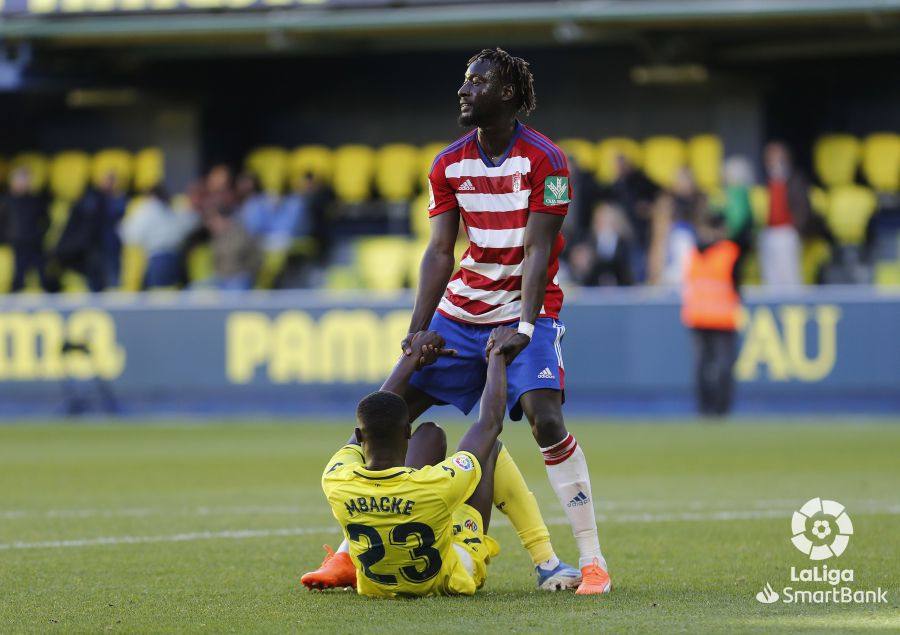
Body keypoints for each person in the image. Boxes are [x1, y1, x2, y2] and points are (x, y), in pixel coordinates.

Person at [400, 47, 608, 594]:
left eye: (477, 82)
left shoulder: (548, 161)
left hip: (527, 312)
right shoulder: (447, 163)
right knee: (388, 412)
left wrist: (526, 322)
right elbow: (441, 252)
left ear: (509, 94)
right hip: (461, 312)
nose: (464, 90)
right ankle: (354, 551)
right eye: (464, 81)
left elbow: (539, 249)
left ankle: (592, 561)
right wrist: (418, 330)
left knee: (545, 418)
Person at [314, 328, 516, 597]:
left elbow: (371, 413)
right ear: (406, 431)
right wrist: (497, 356)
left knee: (431, 433)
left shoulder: (336, 478)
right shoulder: (434, 485)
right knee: (488, 450)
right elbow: (489, 424)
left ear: (361, 435)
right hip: (445, 580)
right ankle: (542, 556)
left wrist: (410, 359)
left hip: (376, 588)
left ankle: (344, 559)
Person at [681, 213, 742, 417]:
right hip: (713, 318)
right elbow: (736, 286)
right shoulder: (729, 253)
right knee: (715, 368)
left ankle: (711, 410)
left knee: (707, 367)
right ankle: (713, 410)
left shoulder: (695, 253)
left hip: (711, 319)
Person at [119, 186, 199, 288]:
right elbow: (190, 223)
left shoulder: (146, 209)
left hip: (157, 259)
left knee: (158, 298)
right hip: (176, 258)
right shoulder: (172, 207)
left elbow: (130, 234)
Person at [610, 153, 662, 282]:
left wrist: (648, 207)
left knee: (641, 262)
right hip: (625, 232)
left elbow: (660, 193)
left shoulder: (640, 180)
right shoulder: (616, 185)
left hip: (643, 229)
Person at [1, 167, 55, 292]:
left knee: (44, 275)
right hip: (16, 244)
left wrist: (39, 234)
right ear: (12, 181)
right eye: (20, 180)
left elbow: (46, 220)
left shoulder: (35, 200)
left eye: (25, 180)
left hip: (35, 243)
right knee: (17, 277)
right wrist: (7, 238)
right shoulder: (6, 201)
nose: (23, 183)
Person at [566, 202, 633, 286]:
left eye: (606, 220)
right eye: (600, 220)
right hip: (593, 288)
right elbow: (580, 273)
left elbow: (629, 271)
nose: (603, 223)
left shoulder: (625, 244)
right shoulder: (587, 242)